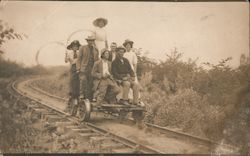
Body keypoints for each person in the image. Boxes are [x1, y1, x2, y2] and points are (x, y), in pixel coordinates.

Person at [77, 36, 99, 100]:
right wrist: (78, 68)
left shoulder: (96, 49)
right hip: (84, 68)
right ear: (87, 41)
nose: (90, 42)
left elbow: (97, 60)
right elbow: (79, 59)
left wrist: (97, 70)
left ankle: (89, 97)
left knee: (91, 83)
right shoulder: (82, 48)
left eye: (92, 40)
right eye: (89, 40)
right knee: (83, 80)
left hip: (92, 69)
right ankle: (81, 94)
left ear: (93, 41)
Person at [65, 40, 81, 106]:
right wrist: (66, 56)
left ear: (78, 47)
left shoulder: (80, 53)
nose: (75, 48)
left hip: (79, 68)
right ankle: (72, 96)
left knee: (79, 82)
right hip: (72, 69)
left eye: (76, 46)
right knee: (72, 82)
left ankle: (78, 96)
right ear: (71, 47)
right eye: (74, 46)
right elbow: (66, 61)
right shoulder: (69, 53)